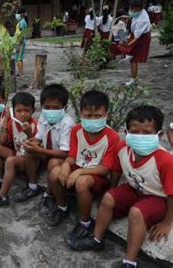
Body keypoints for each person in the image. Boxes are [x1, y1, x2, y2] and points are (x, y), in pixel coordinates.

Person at [68, 105, 173, 268]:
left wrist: (167, 222)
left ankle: (129, 262)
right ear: (126, 131)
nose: (140, 136)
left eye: (147, 133)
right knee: (109, 198)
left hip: (157, 197)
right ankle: (96, 239)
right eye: (135, 131)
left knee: (136, 212)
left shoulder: (166, 160)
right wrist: (111, 189)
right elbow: (116, 171)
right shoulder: (122, 148)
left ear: (159, 135)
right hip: (134, 189)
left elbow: (171, 193)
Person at [45, 90, 119, 233]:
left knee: (82, 182)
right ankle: (62, 206)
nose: (92, 120)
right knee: (55, 172)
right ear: (81, 113)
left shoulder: (112, 136)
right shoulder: (76, 130)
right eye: (88, 116)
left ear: (106, 114)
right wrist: (66, 164)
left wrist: (80, 171)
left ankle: (85, 222)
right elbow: (72, 156)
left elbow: (106, 169)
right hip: (79, 168)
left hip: (97, 176)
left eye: (98, 116)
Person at [23, 84, 76, 215]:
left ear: (65, 108)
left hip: (62, 158)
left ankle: (49, 192)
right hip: (48, 153)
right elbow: (39, 138)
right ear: (42, 106)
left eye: (56, 107)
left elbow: (65, 153)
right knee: (29, 151)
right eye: (47, 107)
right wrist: (31, 142)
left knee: (53, 162)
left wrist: (39, 150)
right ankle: (32, 186)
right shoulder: (43, 117)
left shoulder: (67, 124)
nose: (51, 110)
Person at [0, 92, 38, 207]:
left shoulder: (35, 125)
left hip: (31, 160)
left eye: (26, 110)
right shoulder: (12, 123)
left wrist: (29, 133)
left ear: (33, 110)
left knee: (11, 161)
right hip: (19, 155)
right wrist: (6, 120)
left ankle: (2, 196)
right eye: (18, 110)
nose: (22, 114)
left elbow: (35, 150)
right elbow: (1, 140)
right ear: (13, 111)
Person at [116, 0, 152, 86]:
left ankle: (133, 80)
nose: (131, 10)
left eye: (133, 8)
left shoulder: (143, 20)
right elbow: (132, 16)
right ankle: (129, 55)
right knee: (131, 56)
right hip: (136, 34)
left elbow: (136, 38)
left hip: (142, 38)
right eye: (131, 7)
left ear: (139, 8)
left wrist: (127, 44)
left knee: (134, 60)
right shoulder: (140, 11)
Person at [14, 8, 28, 78]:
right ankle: (20, 73)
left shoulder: (22, 22)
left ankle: (21, 74)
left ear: (21, 14)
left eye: (17, 13)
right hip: (18, 43)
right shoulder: (21, 22)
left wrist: (19, 45)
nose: (16, 15)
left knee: (19, 58)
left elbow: (22, 35)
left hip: (20, 43)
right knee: (18, 58)